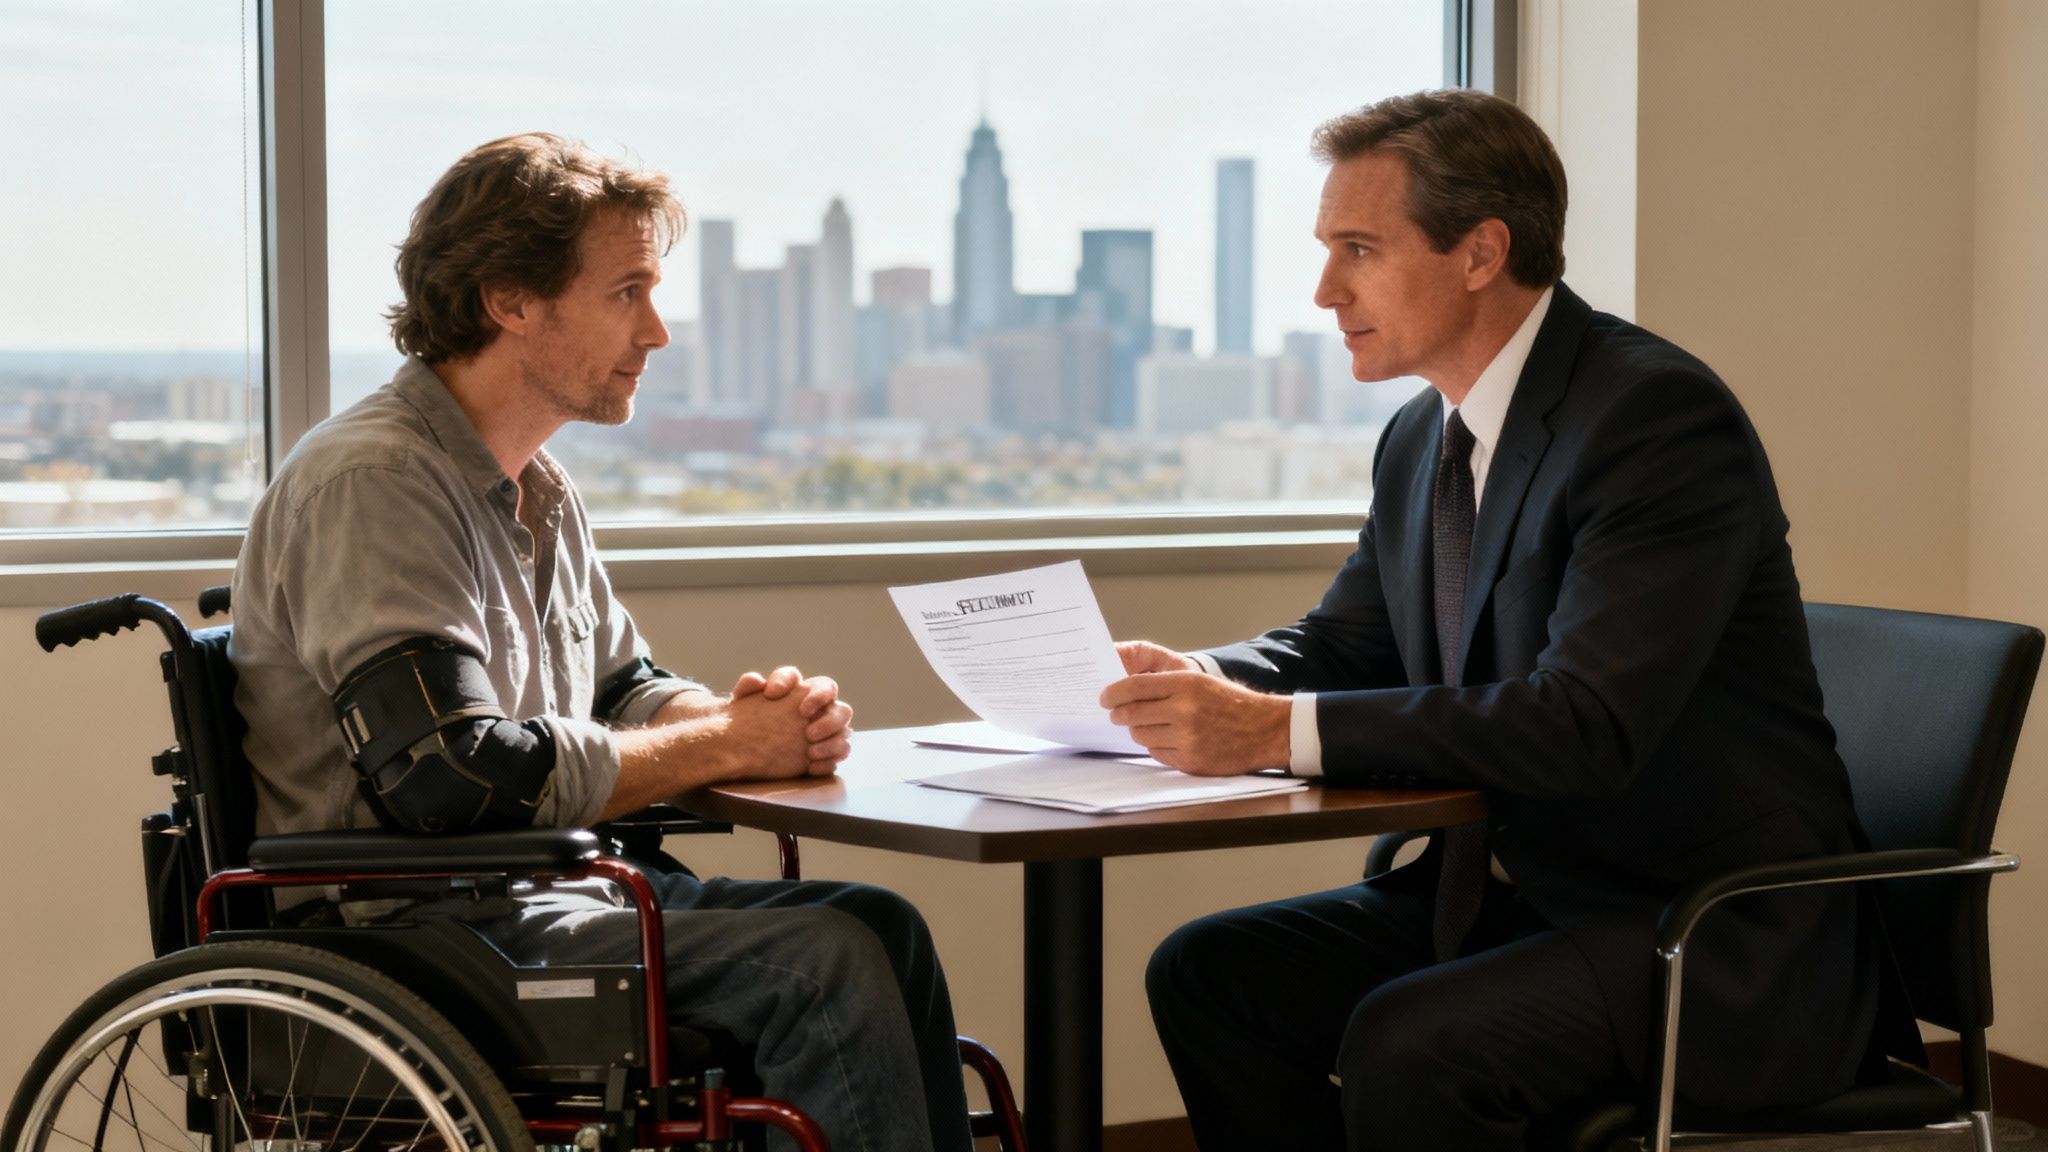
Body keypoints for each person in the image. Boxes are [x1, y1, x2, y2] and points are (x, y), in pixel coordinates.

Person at [1103, 89, 1917, 1150]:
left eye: (1357, 248)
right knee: (1211, 975)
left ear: (1480, 252)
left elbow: (1583, 723)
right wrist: (1195, 679)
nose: (1322, 289)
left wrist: (1265, 733)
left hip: (1694, 922)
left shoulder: (1652, 418)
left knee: (1412, 1044)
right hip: (1507, 889)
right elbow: (1346, 645)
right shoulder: (1419, 437)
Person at [230, 132, 971, 1152]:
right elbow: (447, 775)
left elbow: (622, 685)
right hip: (409, 936)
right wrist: (719, 751)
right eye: (627, 292)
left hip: (533, 895)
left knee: (880, 929)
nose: (657, 332)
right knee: (826, 961)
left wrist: (737, 717)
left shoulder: (536, 486)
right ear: (511, 300)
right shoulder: (377, 483)